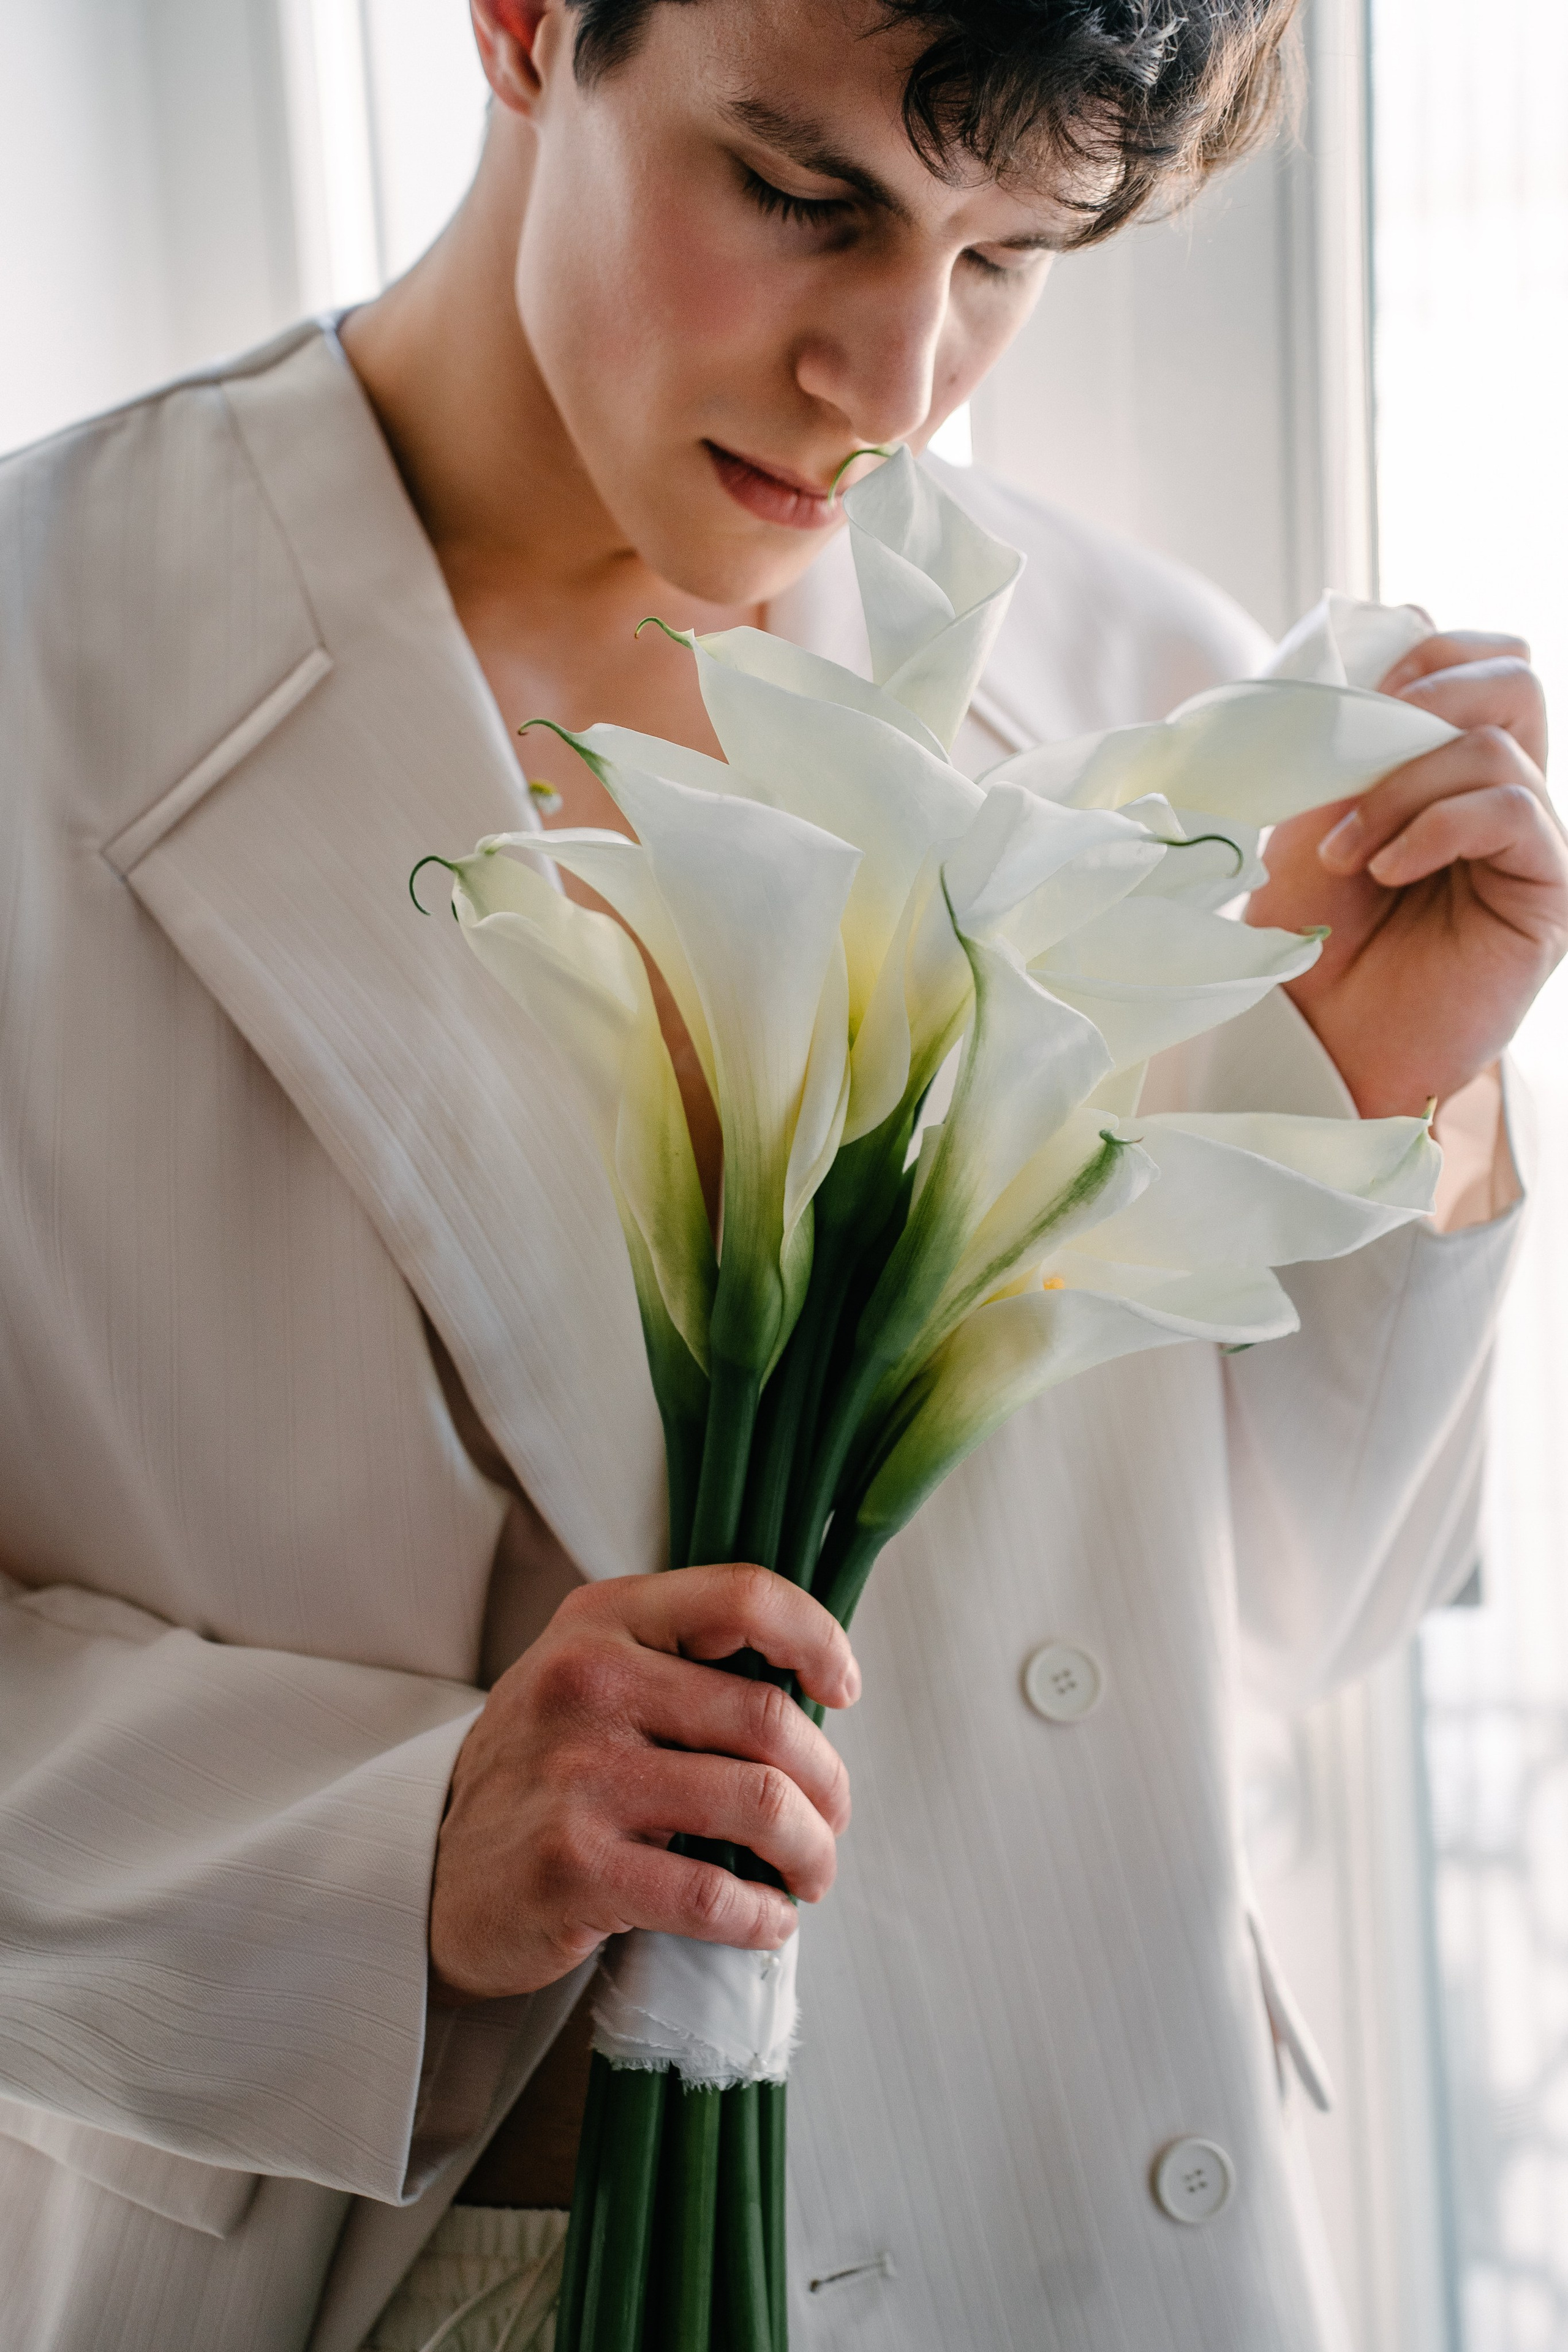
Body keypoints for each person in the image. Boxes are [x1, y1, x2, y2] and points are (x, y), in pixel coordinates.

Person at [0, 1, 1559, 2346]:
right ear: (526, 25)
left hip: (1100, 2237)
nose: (898, 383)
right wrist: (390, 1849)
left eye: (1009, 257)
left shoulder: (1149, 685)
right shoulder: (46, 668)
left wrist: (1407, 1100)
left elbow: (1305, 1623)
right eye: (803, 197)